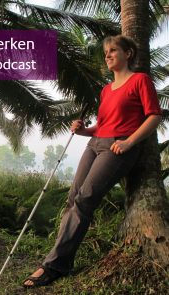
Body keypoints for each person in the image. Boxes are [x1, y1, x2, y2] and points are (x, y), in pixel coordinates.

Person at [23, 34, 162, 288]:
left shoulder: (140, 80)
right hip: (95, 143)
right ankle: (60, 259)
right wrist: (81, 129)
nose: (107, 55)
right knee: (74, 196)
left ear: (127, 54)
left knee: (85, 198)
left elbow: (154, 116)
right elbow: (102, 125)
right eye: (105, 52)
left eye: (112, 50)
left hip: (118, 147)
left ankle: (53, 266)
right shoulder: (106, 90)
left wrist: (130, 142)